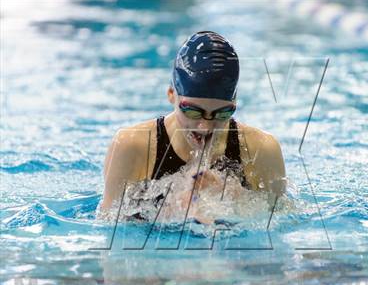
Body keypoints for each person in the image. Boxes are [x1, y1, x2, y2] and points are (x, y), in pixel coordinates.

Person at [99, 31, 286, 223]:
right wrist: (170, 210)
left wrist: (240, 203)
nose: (205, 127)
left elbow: (284, 222)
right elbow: (109, 225)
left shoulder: (262, 149)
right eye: (193, 112)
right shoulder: (132, 146)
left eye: (222, 114)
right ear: (172, 94)